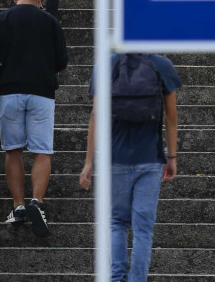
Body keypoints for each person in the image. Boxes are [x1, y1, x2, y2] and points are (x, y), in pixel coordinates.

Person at [0, 0, 69, 237]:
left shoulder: (3, 20)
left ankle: (19, 205)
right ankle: (37, 201)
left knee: (13, 151)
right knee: (42, 151)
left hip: (10, 92)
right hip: (42, 94)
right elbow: (62, 61)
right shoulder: (50, 22)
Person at [80, 53, 181, 282]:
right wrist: (171, 156)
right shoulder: (161, 65)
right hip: (149, 160)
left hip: (115, 159)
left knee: (116, 223)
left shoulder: (106, 64)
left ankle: (117, 278)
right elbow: (171, 117)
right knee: (143, 230)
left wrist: (89, 161)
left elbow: (96, 115)